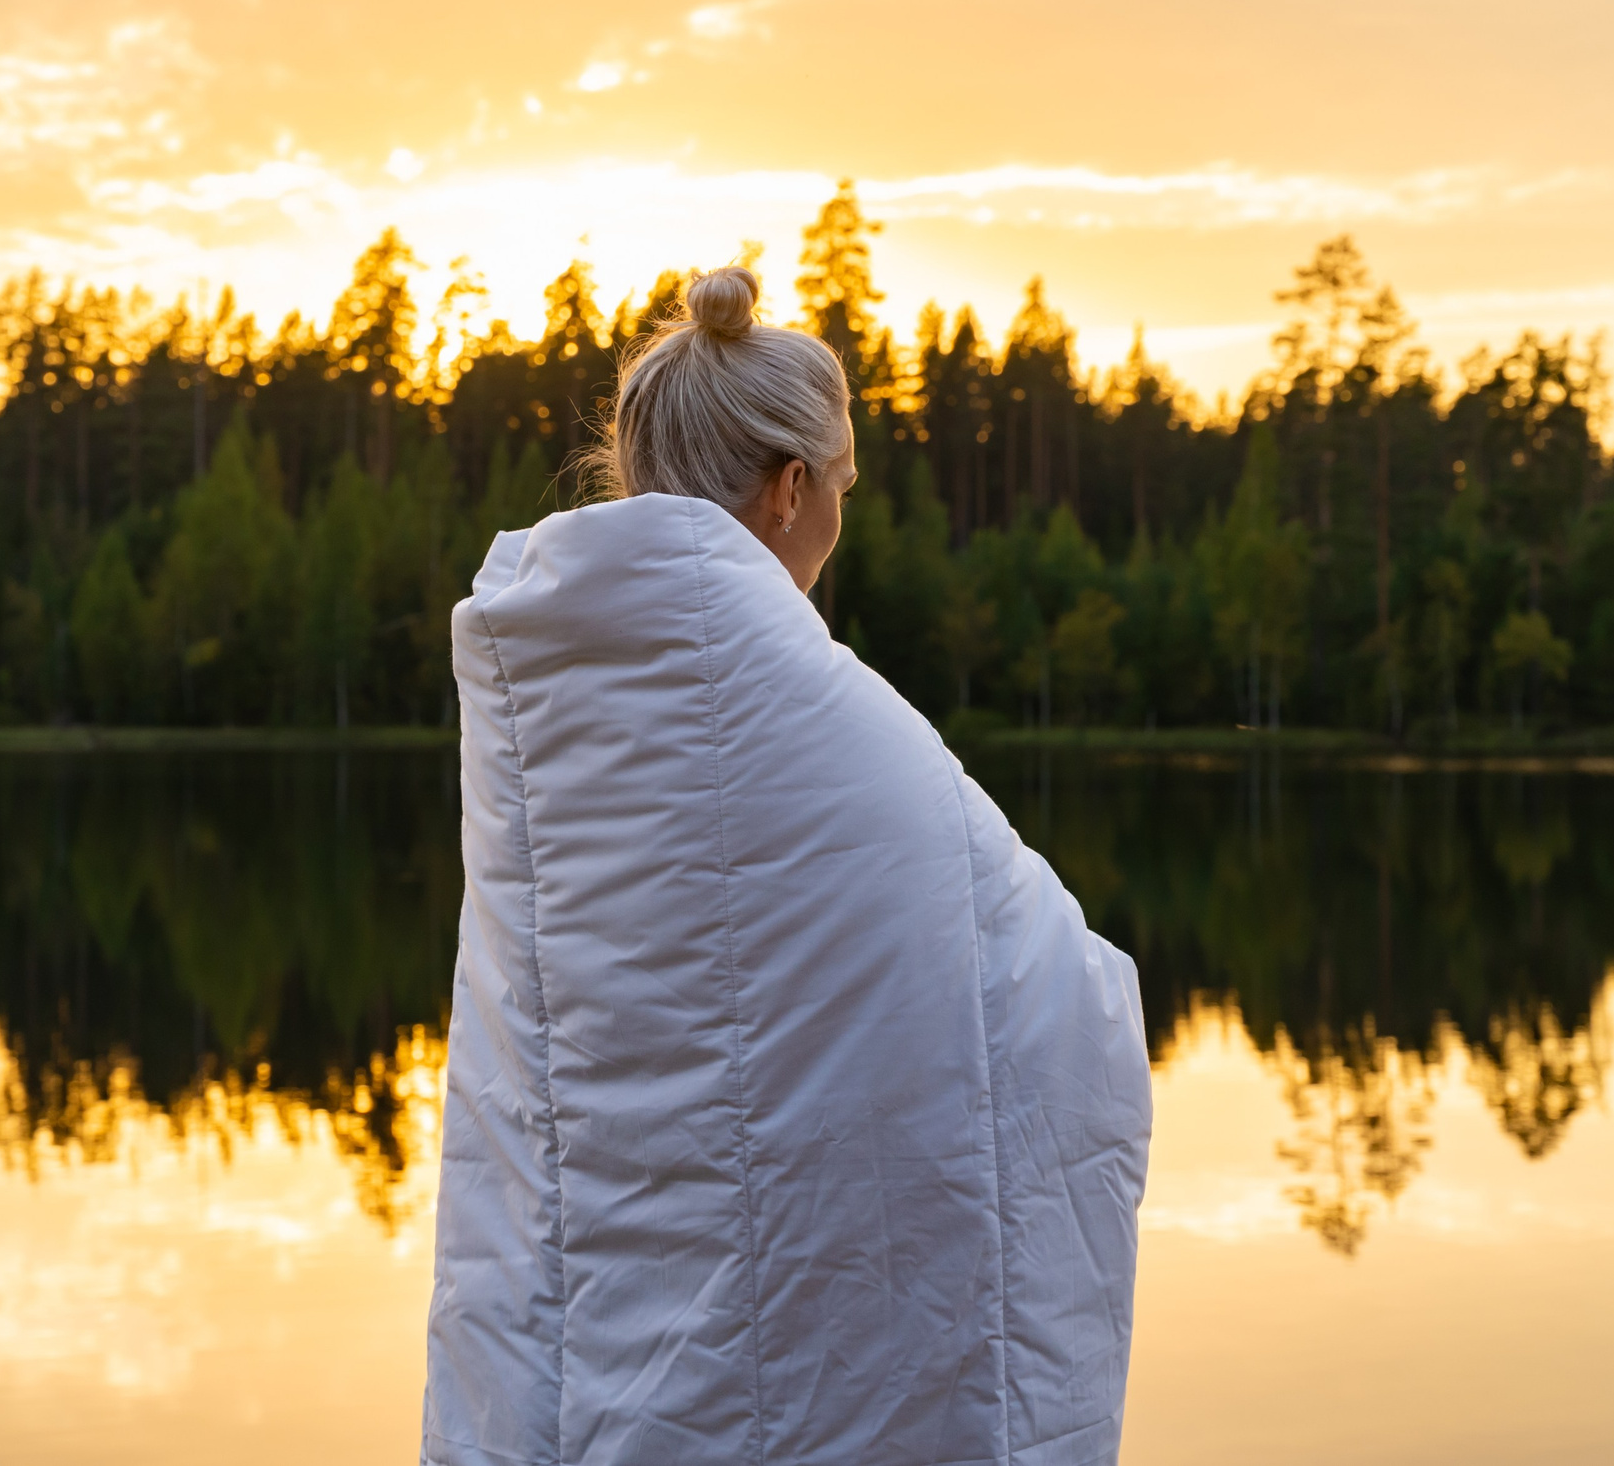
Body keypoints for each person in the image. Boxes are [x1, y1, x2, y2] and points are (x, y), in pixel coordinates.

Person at [422, 265, 1153, 1466]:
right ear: (789, 489)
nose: (839, 521)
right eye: (846, 487)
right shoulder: (821, 714)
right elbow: (1033, 980)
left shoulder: (542, 688)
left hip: (589, 1306)